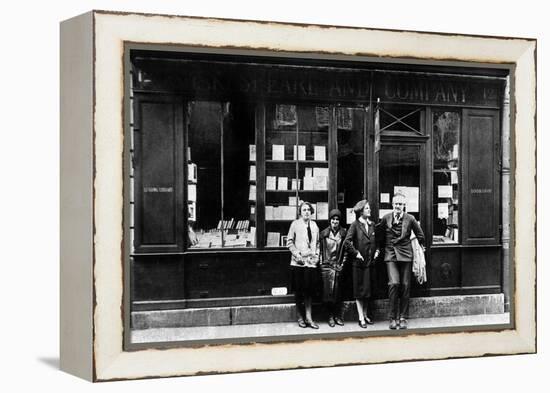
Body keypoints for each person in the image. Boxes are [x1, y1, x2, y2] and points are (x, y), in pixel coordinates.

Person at [379, 192, 425, 330]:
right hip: (391, 254)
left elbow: (420, 235)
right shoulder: (385, 218)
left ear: (404, 205)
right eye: (396, 204)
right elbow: (379, 234)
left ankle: (403, 317)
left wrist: (422, 247)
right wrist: (378, 250)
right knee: (394, 283)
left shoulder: (410, 219)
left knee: (405, 285)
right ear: (392, 205)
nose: (398, 206)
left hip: (406, 254)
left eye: (401, 204)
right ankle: (392, 318)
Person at [344, 200, 380, 329]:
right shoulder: (355, 225)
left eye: (369, 208)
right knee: (360, 292)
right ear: (361, 211)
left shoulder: (372, 225)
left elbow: (377, 242)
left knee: (367, 291)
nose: (369, 210)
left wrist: (377, 251)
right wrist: (356, 253)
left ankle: (365, 315)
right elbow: (347, 242)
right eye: (367, 208)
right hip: (359, 264)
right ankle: (360, 317)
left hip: (370, 264)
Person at [286, 201, 320, 329]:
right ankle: (300, 317)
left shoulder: (315, 225)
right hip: (298, 263)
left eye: (308, 210)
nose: (306, 212)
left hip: (310, 264)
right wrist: (297, 255)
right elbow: (289, 242)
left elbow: (317, 244)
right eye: (304, 210)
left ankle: (309, 318)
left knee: (309, 292)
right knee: (299, 292)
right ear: (300, 212)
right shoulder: (295, 224)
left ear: (311, 212)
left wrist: (317, 256)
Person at [319, 209, 347, 327]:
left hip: (338, 266)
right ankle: (330, 316)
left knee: (338, 293)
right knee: (328, 293)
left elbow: (346, 251)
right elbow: (320, 250)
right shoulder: (324, 234)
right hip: (326, 266)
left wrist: (342, 264)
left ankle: (337, 315)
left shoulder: (344, 233)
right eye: (333, 219)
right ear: (330, 221)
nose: (335, 221)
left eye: (337, 219)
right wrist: (321, 265)